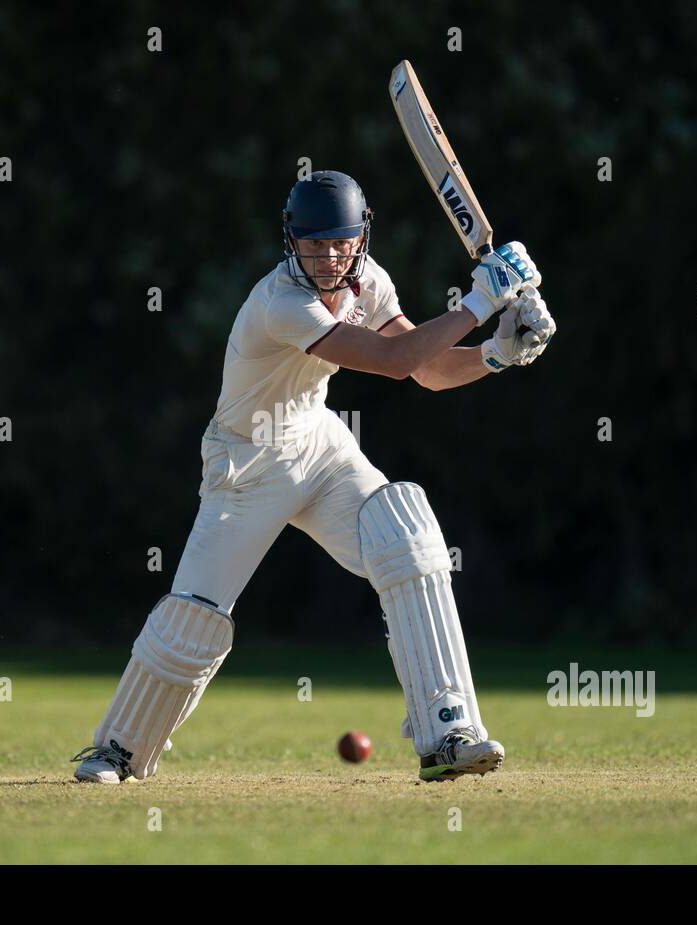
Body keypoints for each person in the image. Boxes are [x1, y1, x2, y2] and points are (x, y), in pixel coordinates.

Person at [72, 170, 555, 784]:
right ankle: (118, 748)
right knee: (194, 617)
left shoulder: (370, 282)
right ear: (291, 241)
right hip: (247, 463)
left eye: (339, 242)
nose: (327, 257)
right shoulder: (280, 303)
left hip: (318, 443)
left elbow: (428, 371)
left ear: (361, 237)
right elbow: (391, 360)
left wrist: (495, 354)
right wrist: (481, 304)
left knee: (408, 540)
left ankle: (449, 732)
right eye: (314, 243)